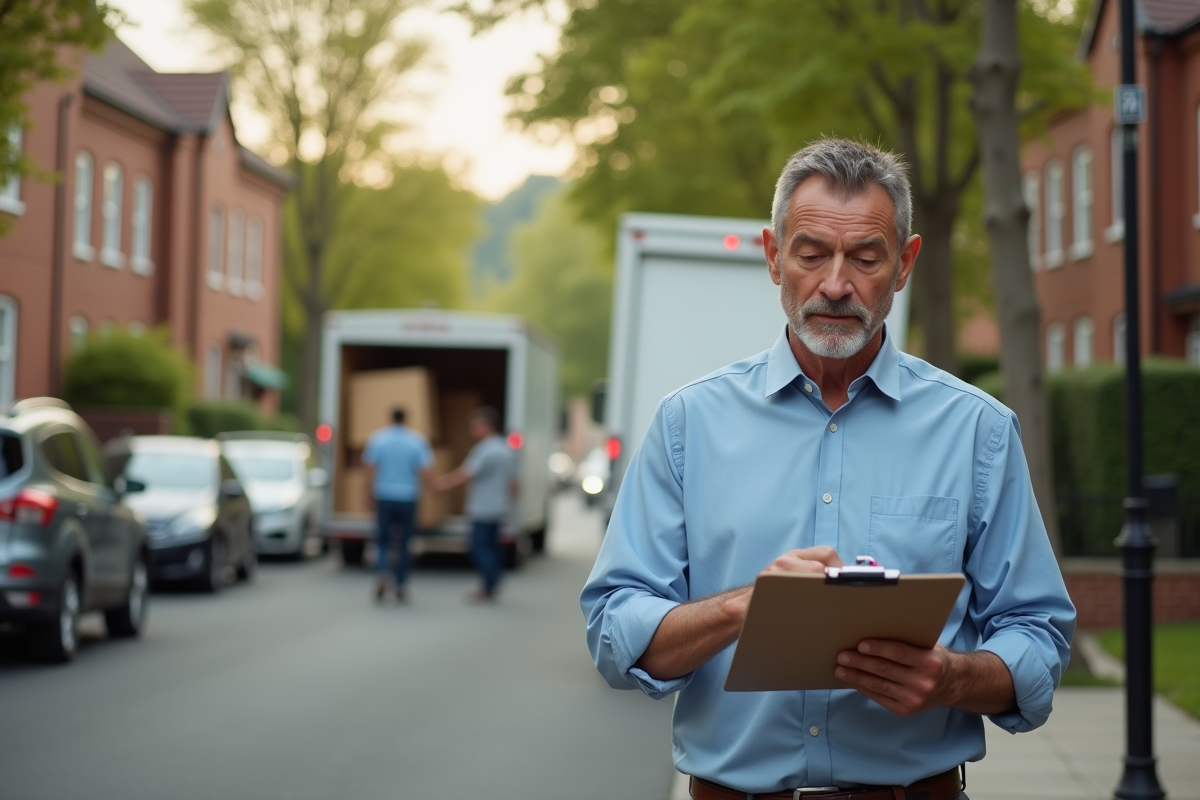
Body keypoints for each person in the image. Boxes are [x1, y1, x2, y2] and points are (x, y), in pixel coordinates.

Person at [581, 139, 1076, 800]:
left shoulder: (977, 431)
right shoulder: (687, 425)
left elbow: (1038, 634)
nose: (836, 285)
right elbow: (615, 632)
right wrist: (746, 608)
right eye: (811, 254)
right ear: (773, 256)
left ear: (904, 264)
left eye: (865, 258)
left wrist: (955, 679)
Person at [434, 406, 518, 602]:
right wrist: (511, 503)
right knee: (492, 546)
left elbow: (465, 473)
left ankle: (489, 583)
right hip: (498, 506)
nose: (472, 429)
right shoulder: (506, 449)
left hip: (482, 507)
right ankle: (491, 583)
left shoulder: (484, 450)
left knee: (478, 547)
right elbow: (514, 482)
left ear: (487, 426)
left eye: (475, 425)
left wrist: (442, 485)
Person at [363, 407, 432, 602]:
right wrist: (435, 489)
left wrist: (368, 497)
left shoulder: (378, 439)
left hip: (384, 496)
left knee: (383, 541)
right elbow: (424, 470)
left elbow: (370, 471)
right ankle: (401, 584)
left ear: (390, 419)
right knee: (404, 543)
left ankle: (383, 572)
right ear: (406, 420)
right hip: (408, 498)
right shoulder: (417, 441)